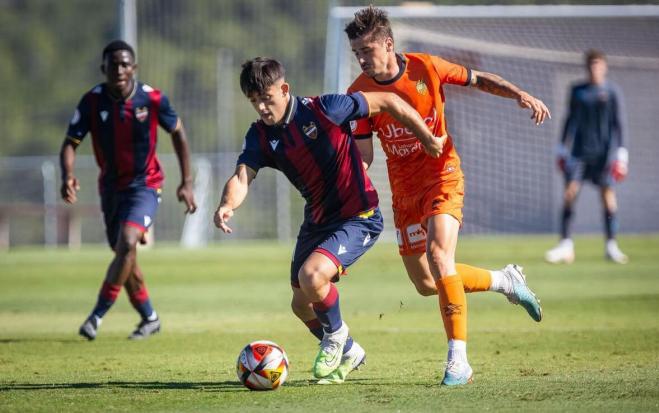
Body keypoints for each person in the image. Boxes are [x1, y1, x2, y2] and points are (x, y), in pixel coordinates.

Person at [344, 6, 550, 385]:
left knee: (440, 257)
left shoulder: (427, 67)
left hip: (443, 177)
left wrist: (519, 94)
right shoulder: (358, 93)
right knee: (426, 283)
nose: (361, 59)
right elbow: (366, 153)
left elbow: (478, 79)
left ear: (388, 44)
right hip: (404, 192)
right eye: (356, 52)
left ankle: (459, 360)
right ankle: (504, 280)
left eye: (366, 51)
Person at [214, 57, 446, 384]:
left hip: (359, 216)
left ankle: (335, 336)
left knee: (312, 277)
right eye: (254, 101)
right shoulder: (260, 136)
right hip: (318, 220)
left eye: (266, 97)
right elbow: (242, 176)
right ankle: (350, 350)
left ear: (284, 89)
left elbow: (390, 101)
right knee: (300, 304)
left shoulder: (325, 109)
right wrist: (227, 205)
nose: (262, 107)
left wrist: (425, 136)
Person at [60, 40, 197, 341]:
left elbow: (179, 134)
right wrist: (67, 175)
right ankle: (150, 318)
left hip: (145, 186)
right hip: (110, 189)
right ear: (103, 68)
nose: (119, 69)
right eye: (113, 64)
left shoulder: (152, 99)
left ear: (134, 68)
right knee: (125, 254)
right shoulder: (92, 101)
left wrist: (186, 182)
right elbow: (71, 142)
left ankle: (96, 316)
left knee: (127, 241)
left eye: (125, 64)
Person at [545, 50, 628, 264]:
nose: (595, 68)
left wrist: (622, 153)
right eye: (591, 64)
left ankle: (611, 245)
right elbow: (569, 119)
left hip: (604, 155)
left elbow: (619, 124)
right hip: (579, 153)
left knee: (607, 197)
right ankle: (566, 245)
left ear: (604, 66)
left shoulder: (612, 92)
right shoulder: (578, 91)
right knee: (569, 194)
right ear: (587, 67)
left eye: (599, 64)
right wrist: (562, 148)